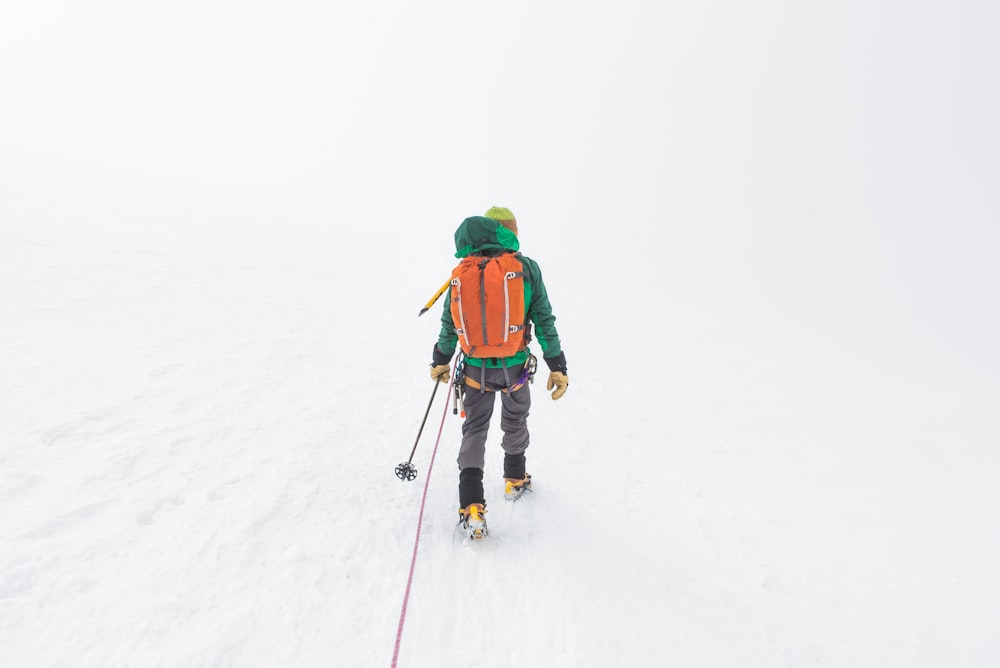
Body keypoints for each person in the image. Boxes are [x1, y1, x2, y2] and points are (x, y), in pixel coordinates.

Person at [429, 207, 568, 537]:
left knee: (474, 428)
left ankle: (472, 504)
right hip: (515, 367)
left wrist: (440, 360)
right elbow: (544, 320)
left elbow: (450, 324)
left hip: (475, 368)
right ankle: (514, 479)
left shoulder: (464, 270)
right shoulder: (526, 268)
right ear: (508, 231)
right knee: (516, 419)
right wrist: (557, 366)